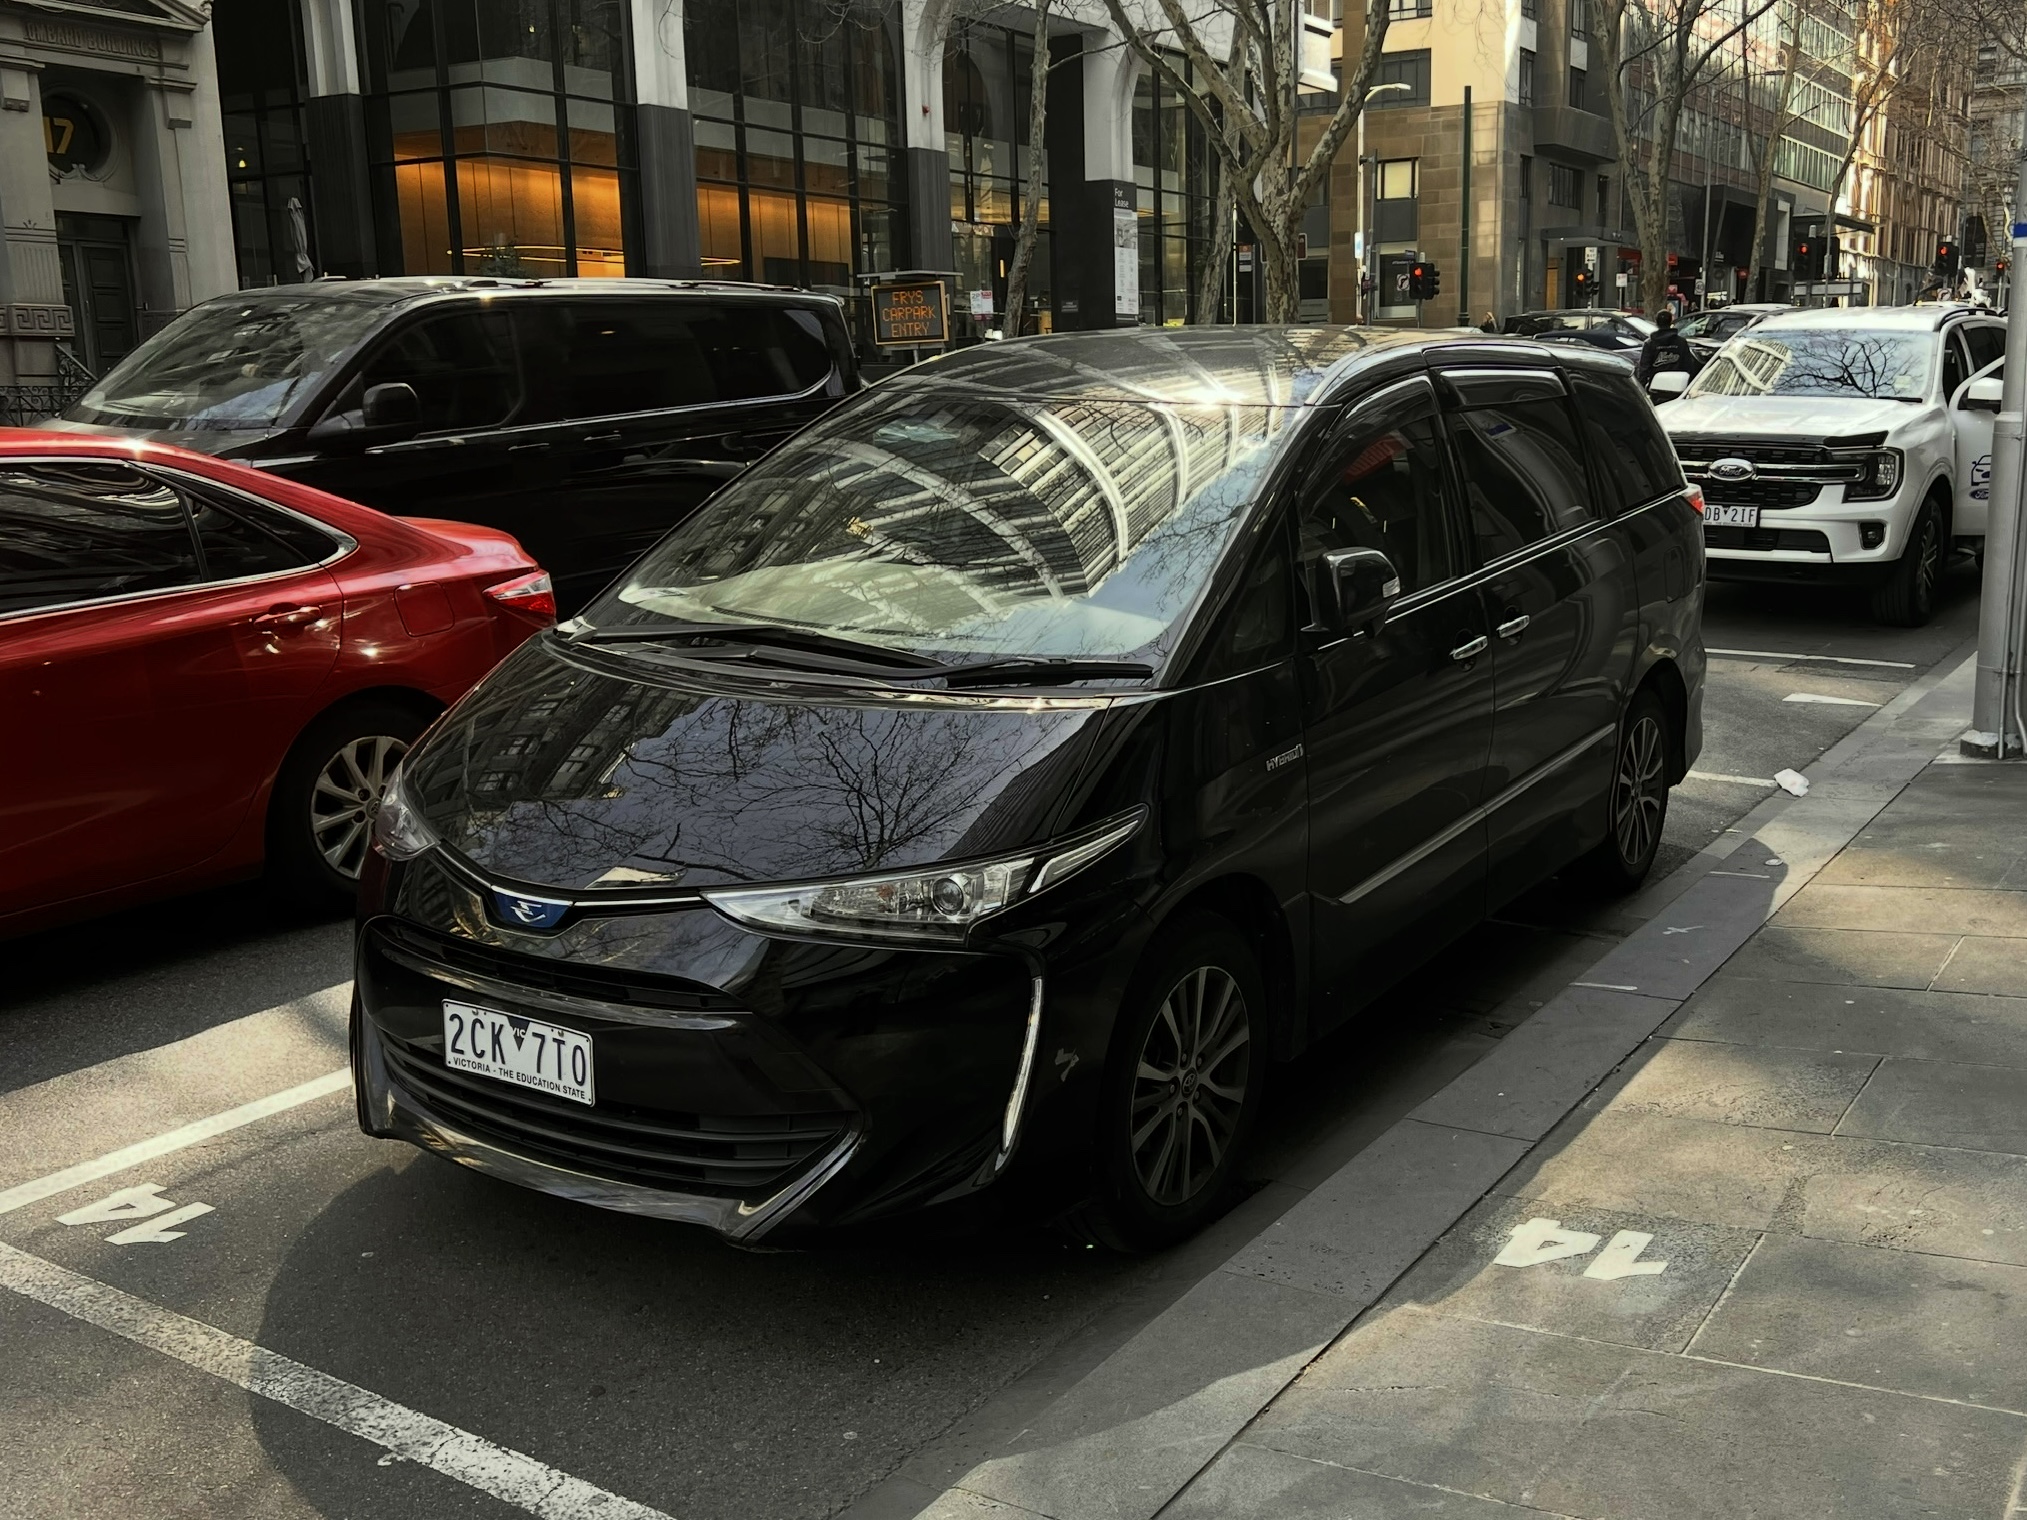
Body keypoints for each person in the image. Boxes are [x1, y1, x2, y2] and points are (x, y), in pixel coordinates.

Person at [1635, 308, 1698, 387]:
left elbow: (1644, 369)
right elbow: (1689, 366)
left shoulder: (1650, 343)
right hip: (1677, 385)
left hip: (1655, 387)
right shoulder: (1681, 342)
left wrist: (1643, 387)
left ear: (1656, 322)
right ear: (1671, 322)